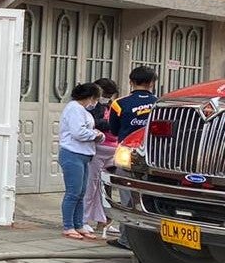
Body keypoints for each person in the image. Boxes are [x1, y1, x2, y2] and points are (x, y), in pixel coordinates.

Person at [107, 66, 160, 246]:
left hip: (127, 157)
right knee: (151, 200)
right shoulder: (159, 104)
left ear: (131, 81)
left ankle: (126, 240)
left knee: (127, 199)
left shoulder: (119, 104)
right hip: (154, 159)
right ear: (152, 83)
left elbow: (113, 130)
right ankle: (151, 243)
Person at [59, 82, 104, 240]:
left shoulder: (82, 110)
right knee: (73, 192)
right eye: (96, 98)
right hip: (72, 153)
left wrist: (96, 135)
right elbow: (78, 132)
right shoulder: (74, 109)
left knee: (81, 192)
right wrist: (95, 134)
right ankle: (68, 226)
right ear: (90, 97)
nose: (96, 102)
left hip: (84, 154)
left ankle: (78, 224)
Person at [82, 77, 119, 236]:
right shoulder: (91, 106)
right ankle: (83, 219)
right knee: (91, 185)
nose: (107, 97)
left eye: (111, 95)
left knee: (107, 187)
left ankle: (104, 220)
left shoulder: (112, 105)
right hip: (98, 149)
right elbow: (92, 123)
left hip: (114, 149)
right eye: (105, 94)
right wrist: (108, 123)